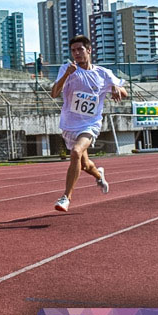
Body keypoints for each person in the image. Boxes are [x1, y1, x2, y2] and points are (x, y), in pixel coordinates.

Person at [50, 35, 128, 212]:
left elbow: (125, 93)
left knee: (76, 152)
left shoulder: (103, 73)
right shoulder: (67, 69)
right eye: (73, 51)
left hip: (90, 124)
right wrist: (67, 75)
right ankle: (99, 174)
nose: (76, 53)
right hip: (69, 124)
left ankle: (66, 198)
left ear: (89, 50)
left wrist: (116, 87)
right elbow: (54, 93)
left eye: (80, 49)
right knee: (84, 165)